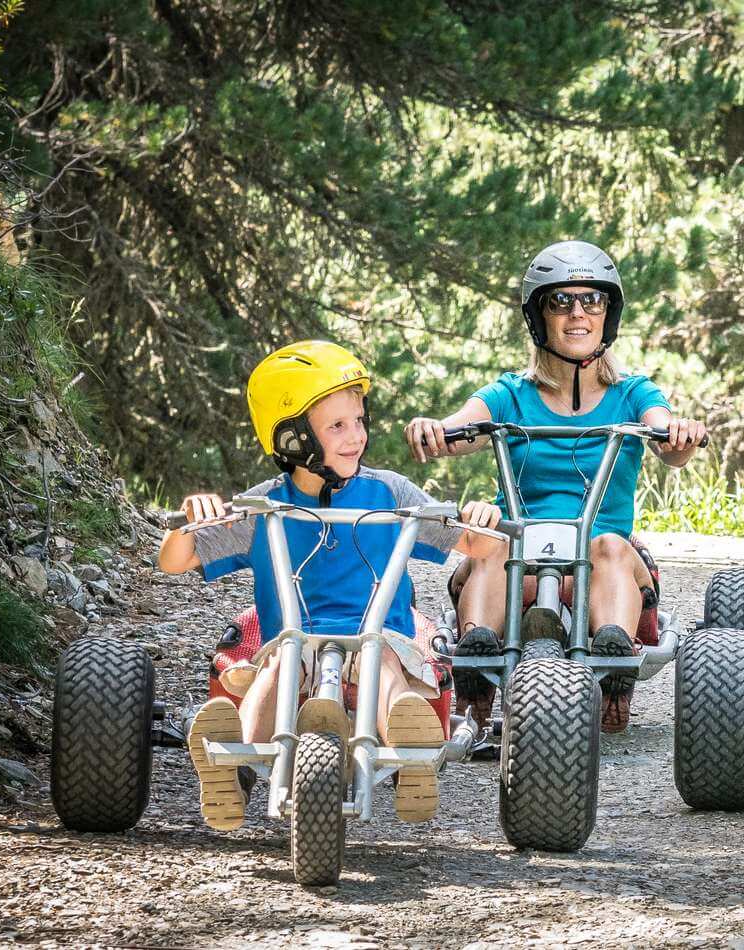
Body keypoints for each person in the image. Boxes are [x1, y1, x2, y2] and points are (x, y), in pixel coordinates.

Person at [158, 340, 504, 828]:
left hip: (380, 636)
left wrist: (479, 519)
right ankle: (231, 771)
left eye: (359, 421)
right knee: (277, 667)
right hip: (292, 640)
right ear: (294, 438)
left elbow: (477, 547)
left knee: (382, 663)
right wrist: (190, 520)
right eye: (337, 426)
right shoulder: (263, 507)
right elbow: (175, 561)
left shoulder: (390, 493)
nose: (356, 436)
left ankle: (413, 754)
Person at [405, 241, 706, 733]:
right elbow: (460, 429)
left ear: (608, 314)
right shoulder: (510, 394)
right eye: (560, 301)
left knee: (608, 543)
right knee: (492, 546)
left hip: (604, 557)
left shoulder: (634, 393)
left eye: (592, 300)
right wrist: (434, 429)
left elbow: (667, 441)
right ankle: (476, 661)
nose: (577, 313)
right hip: (519, 553)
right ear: (537, 316)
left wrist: (680, 435)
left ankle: (614, 668)